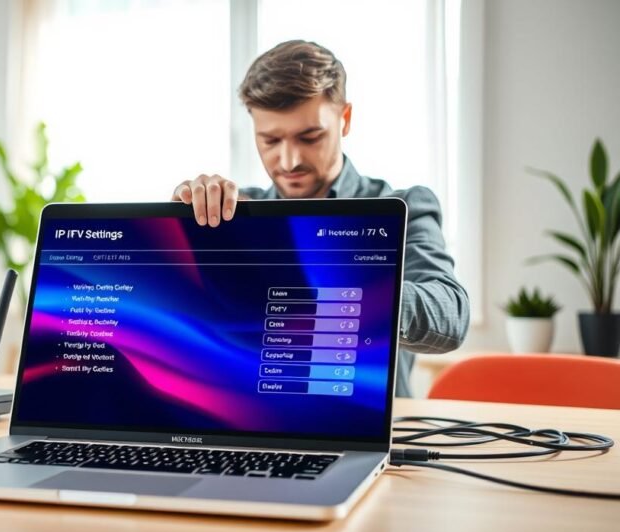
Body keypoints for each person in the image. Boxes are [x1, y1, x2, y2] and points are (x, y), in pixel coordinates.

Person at [171, 40, 469, 397]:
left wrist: (349, 290)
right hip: (250, 419)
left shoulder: (402, 206)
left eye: (309, 137)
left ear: (344, 119)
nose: (289, 161)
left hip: (360, 428)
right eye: (270, 140)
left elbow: (451, 315)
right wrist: (184, 234)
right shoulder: (237, 215)